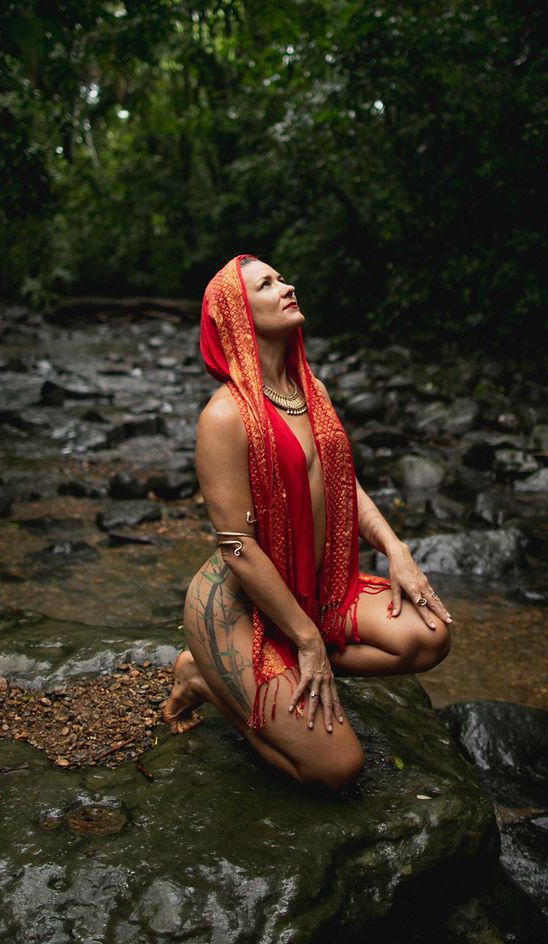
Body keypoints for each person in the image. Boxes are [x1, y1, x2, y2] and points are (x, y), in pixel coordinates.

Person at [162, 252, 454, 789]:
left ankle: (273, 663)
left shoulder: (310, 389)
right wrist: (309, 641)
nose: (287, 286)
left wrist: (396, 549)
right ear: (237, 316)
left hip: (316, 590)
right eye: (267, 285)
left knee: (430, 635)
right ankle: (205, 679)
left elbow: (341, 481)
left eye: (281, 278)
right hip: (240, 610)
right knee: (335, 770)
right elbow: (237, 546)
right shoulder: (224, 417)